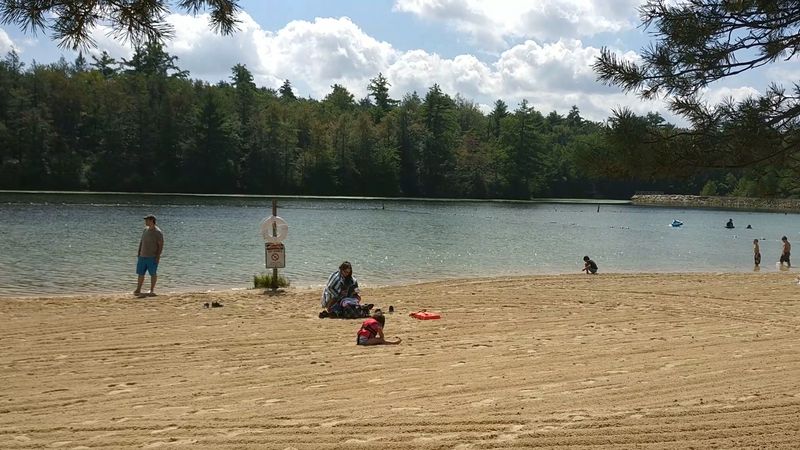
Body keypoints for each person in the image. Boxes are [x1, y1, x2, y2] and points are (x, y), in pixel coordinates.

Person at [134, 214, 164, 296]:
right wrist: (139, 252)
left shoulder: (158, 232)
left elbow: (160, 245)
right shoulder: (145, 230)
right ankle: (138, 289)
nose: (145, 222)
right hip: (142, 256)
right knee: (140, 273)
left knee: (153, 274)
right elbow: (141, 241)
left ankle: (151, 290)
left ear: (152, 221)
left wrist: (158, 256)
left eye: (147, 220)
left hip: (152, 257)